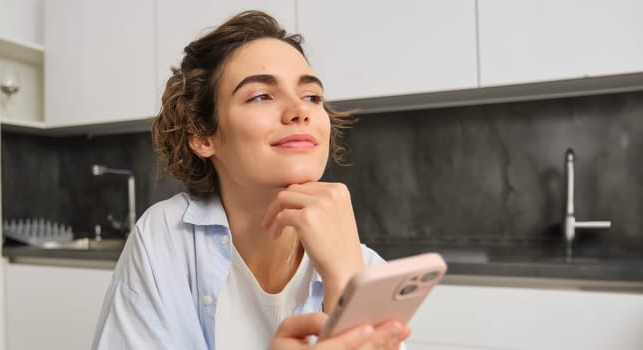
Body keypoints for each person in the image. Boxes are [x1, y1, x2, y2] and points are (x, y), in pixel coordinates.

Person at [91, 10, 410, 350]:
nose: (299, 111)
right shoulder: (165, 238)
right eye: (261, 96)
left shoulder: (368, 270)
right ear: (202, 135)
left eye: (312, 97)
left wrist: (346, 286)